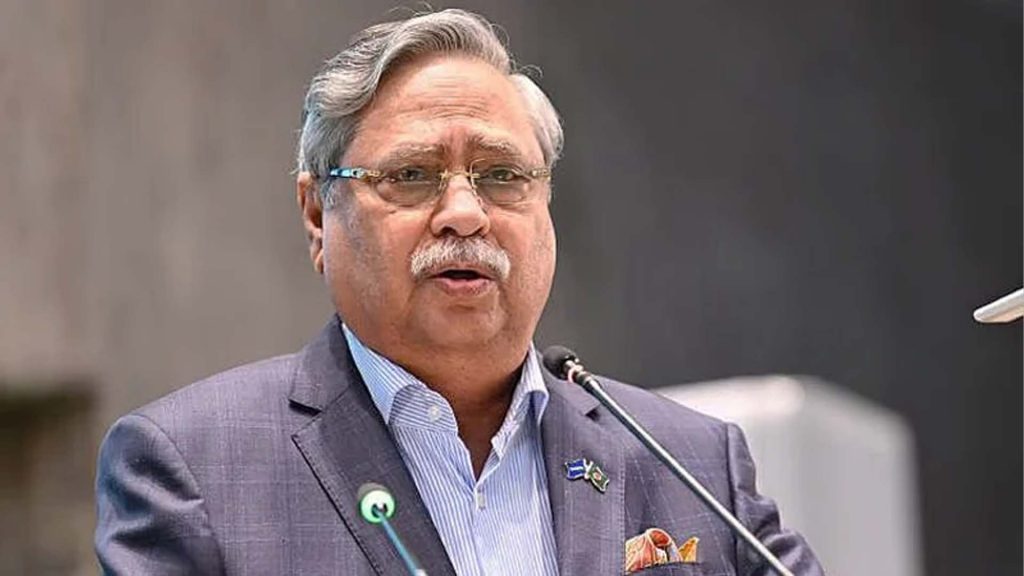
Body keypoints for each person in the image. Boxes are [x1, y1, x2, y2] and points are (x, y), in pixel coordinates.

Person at [95, 9, 823, 576]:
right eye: (411, 176)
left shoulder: (690, 464)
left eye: (502, 175)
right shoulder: (194, 468)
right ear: (318, 215)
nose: (466, 213)